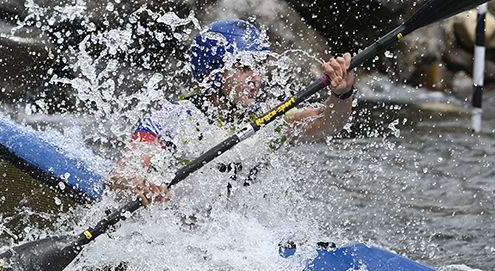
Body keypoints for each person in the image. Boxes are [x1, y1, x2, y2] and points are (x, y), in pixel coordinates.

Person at [107, 19, 357, 204]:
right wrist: (142, 184)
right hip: (175, 230)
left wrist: (342, 94)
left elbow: (328, 122)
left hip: (233, 235)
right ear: (214, 74)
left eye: (258, 67)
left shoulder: (268, 120)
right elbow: (121, 175)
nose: (256, 78)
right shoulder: (171, 119)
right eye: (244, 68)